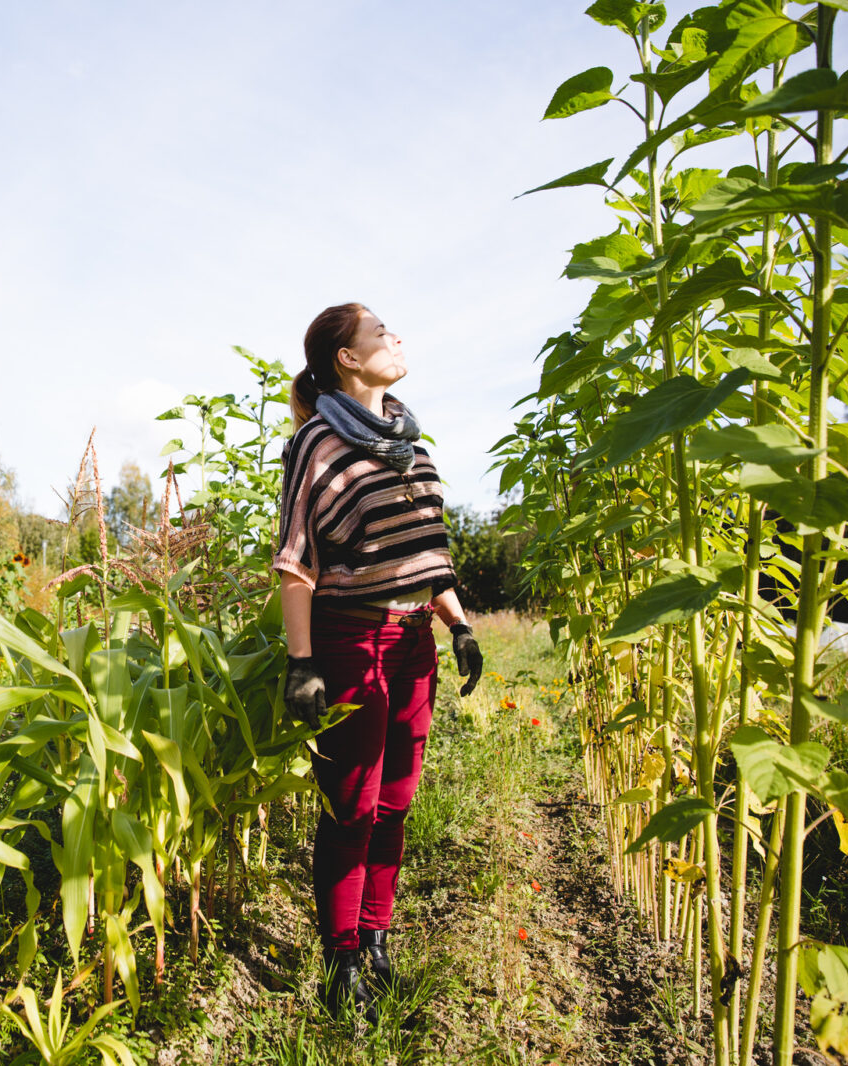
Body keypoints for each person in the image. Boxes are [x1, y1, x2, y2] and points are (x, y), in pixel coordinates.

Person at [273, 302, 483, 1021]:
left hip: (414, 642)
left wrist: (460, 626)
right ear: (348, 358)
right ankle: (340, 962)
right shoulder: (317, 443)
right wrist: (301, 663)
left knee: (395, 803)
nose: (396, 337)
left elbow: (426, 554)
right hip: (348, 638)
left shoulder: (411, 444)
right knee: (351, 809)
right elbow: (296, 559)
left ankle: (375, 941)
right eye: (380, 332)